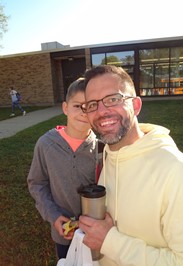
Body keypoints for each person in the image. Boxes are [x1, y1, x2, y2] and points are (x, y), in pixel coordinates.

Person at [79, 65, 183, 265]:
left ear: (135, 106)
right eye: (92, 104)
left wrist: (110, 241)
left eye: (113, 99)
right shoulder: (110, 156)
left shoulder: (177, 171)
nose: (101, 111)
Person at [27, 78, 104, 260]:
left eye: (90, 106)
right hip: (64, 233)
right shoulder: (46, 144)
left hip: (96, 233)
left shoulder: (102, 147)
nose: (84, 113)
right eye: (78, 106)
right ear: (65, 108)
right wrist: (53, 216)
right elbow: (37, 184)